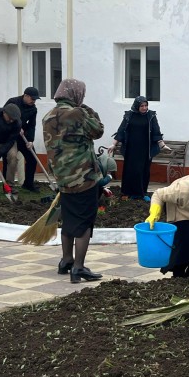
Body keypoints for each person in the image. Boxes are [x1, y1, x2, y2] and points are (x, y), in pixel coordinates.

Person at [42, 79, 105, 283]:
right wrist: (88, 109)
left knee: (68, 220)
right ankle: (78, 267)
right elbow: (98, 130)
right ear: (76, 94)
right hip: (83, 177)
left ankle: (66, 260)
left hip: (62, 178)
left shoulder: (47, 116)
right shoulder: (78, 113)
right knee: (84, 223)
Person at [113, 96, 164, 200]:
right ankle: (127, 192)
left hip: (145, 149)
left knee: (142, 171)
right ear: (137, 106)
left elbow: (156, 131)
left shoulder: (151, 116)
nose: (144, 108)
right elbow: (121, 130)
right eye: (142, 106)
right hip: (131, 149)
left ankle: (141, 193)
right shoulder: (129, 115)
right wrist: (114, 144)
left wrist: (162, 144)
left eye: (146, 105)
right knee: (130, 170)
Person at [3, 86, 41, 192]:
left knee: (32, 159)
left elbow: (32, 125)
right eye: (32, 99)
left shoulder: (33, 109)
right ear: (26, 96)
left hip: (22, 137)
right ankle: (7, 187)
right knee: (9, 160)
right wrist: (16, 126)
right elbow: (4, 117)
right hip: (9, 136)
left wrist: (30, 140)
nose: (34, 101)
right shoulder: (12, 102)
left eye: (35, 99)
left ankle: (28, 184)